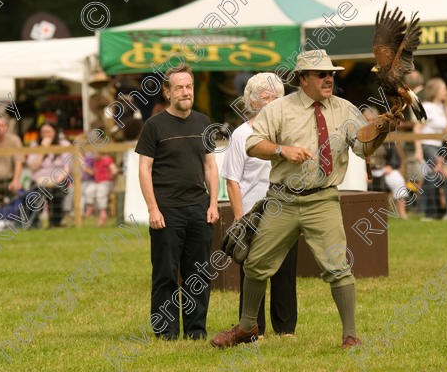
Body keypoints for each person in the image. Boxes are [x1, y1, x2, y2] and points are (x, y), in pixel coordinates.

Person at [210, 50, 400, 350]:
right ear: (302, 79)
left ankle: (349, 335)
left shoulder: (345, 109)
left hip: (323, 199)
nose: (329, 78)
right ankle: (247, 328)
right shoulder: (279, 109)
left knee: (338, 266)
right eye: (321, 74)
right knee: (256, 263)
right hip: (282, 200)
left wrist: (382, 128)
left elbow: (363, 149)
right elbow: (252, 144)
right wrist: (281, 151)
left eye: (332, 74)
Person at [136, 64, 219, 341]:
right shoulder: (154, 125)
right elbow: (144, 169)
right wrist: (153, 209)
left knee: (199, 275)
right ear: (167, 92)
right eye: (180, 87)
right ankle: (166, 332)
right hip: (167, 212)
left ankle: (196, 331)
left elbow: (210, 166)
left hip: (199, 209)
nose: (185, 92)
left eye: (189, 87)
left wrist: (213, 204)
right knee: (166, 275)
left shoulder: (203, 122)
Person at [221, 73, 298, 338]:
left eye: (276, 96)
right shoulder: (242, 135)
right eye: (266, 97)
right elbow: (232, 181)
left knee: (285, 273)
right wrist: (240, 219)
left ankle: (286, 329)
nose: (272, 101)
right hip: (254, 217)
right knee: (252, 273)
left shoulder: (288, 133)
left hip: (286, 211)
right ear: (252, 100)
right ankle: (255, 329)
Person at [363, 109, 408, 220]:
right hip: (364, 172)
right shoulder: (359, 136)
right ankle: (363, 214)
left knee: (397, 180)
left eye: (373, 120)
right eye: (367, 120)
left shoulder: (385, 136)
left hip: (383, 169)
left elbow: (395, 158)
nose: (370, 122)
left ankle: (402, 213)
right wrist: (364, 171)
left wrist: (390, 167)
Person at [414, 78, 447, 220]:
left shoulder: (442, 107)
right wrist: (418, 150)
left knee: (436, 177)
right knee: (434, 176)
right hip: (428, 145)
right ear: (435, 91)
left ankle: (435, 212)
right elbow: (417, 128)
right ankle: (430, 212)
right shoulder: (426, 106)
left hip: (440, 147)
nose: (446, 92)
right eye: (443, 89)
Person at [26, 122, 71, 228]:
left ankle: (55, 223)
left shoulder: (64, 145)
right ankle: (34, 223)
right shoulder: (34, 145)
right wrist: (43, 150)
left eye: (49, 132)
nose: (46, 134)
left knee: (57, 191)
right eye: (44, 132)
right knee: (35, 194)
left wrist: (56, 181)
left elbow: (67, 167)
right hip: (39, 181)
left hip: (58, 180)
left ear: (55, 132)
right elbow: (33, 166)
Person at [84, 152, 118, 226]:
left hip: (106, 182)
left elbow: (114, 170)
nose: (93, 156)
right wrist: (85, 169)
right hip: (97, 182)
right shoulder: (95, 161)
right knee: (89, 190)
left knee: (101, 193)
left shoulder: (107, 160)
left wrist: (111, 176)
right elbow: (93, 172)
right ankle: (91, 207)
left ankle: (103, 213)